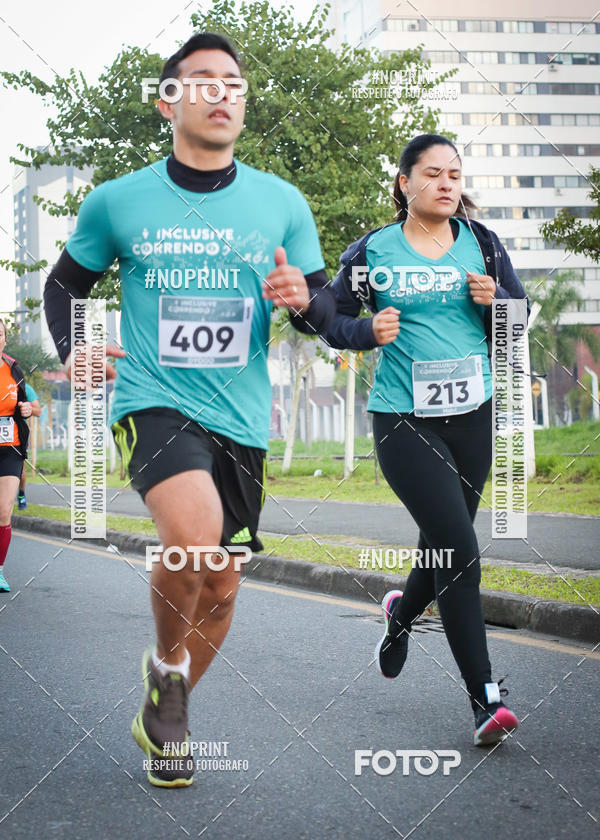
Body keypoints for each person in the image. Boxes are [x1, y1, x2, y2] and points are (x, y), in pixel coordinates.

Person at [44, 32, 334, 786]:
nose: (221, 92)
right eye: (202, 80)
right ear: (168, 100)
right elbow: (63, 286)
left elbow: (319, 309)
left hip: (241, 414)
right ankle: (170, 681)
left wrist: (304, 302)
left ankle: (167, 696)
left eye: (233, 82)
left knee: (224, 581)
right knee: (195, 543)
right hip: (153, 400)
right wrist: (75, 345)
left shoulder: (282, 201)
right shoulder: (120, 199)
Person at [323, 133, 529, 747]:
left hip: (474, 414)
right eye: (433, 173)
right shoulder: (373, 252)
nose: (446, 183)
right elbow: (323, 315)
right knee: (461, 552)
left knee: (445, 548)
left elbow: (518, 324)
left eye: (455, 174)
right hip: (403, 421)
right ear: (404, 184)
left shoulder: (484, 244)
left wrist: (500, 305)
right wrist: (366, 328)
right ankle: (484, 700)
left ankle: (400, 613)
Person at [0, 318, 33, 592]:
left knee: (3, 510)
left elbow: (27, 404)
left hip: (9, 447)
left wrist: (26, 410)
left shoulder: (13, 369)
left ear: (4, 339)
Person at [17, 382, 42, 510]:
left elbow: (38, 411)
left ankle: (21, 495)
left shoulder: (25, 388)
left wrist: (28, 408)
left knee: (20, 468)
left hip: (18, 434)